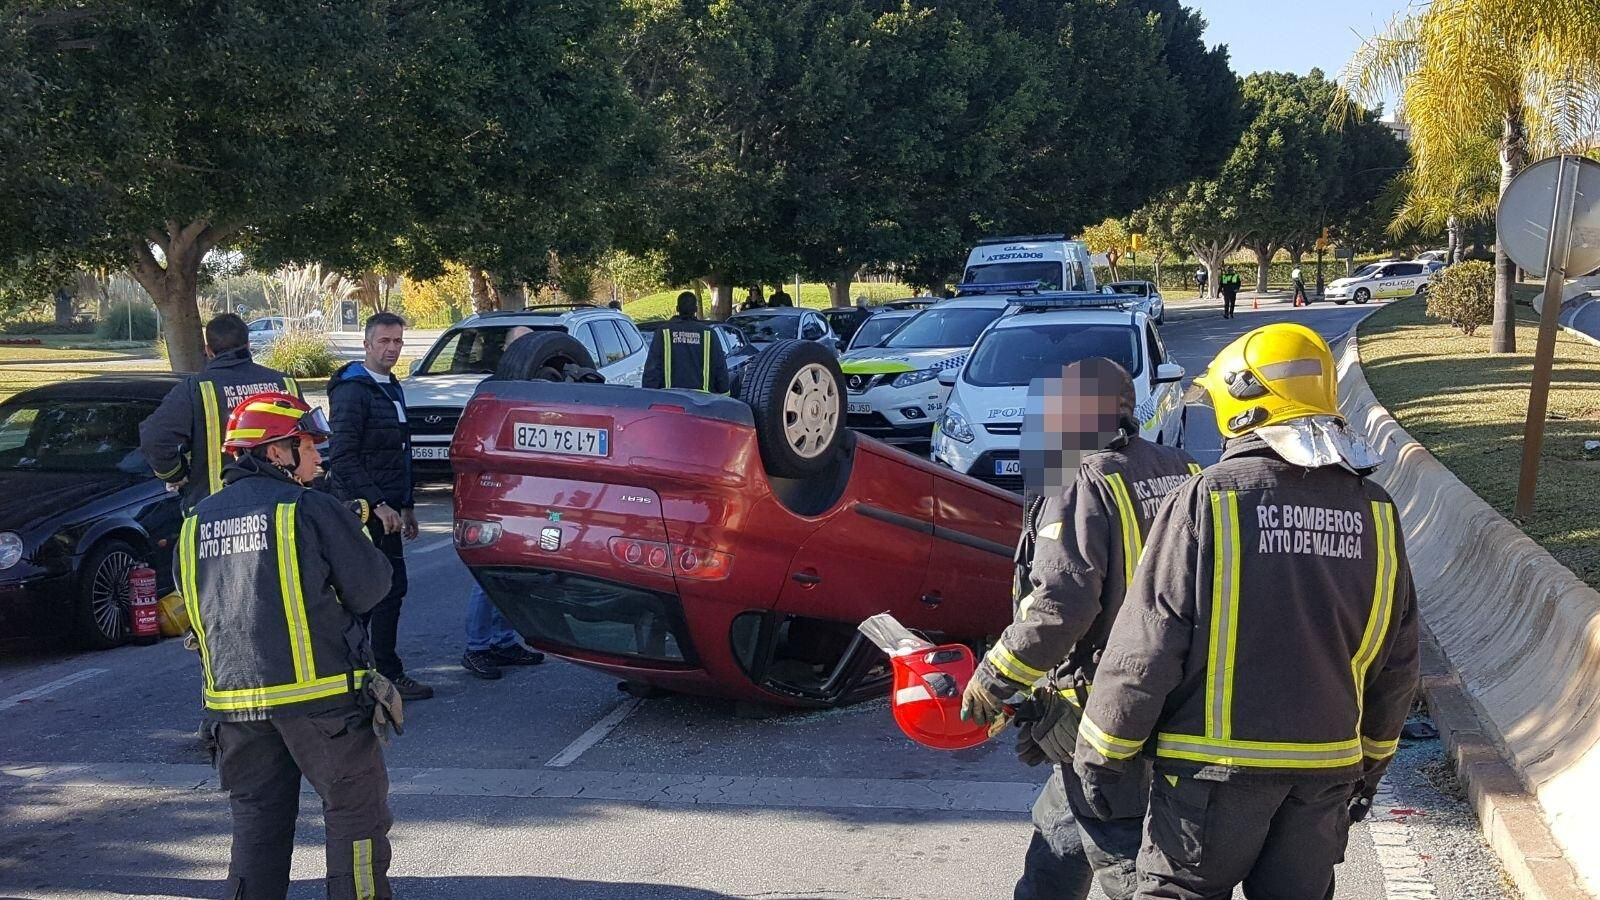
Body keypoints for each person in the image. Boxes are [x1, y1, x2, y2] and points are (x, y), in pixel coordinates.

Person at [1073, 323, 1420, 899]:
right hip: (1324, 774)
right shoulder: (1376, 511)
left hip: (1211, 780)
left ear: (1241, 400)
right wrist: (1371, 764)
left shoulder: (1210, 498)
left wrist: (1103, 753)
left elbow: (1148, 641)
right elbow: (1398, 656)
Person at [959, 358, 1200, 900]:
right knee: (1060, 834)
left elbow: (1062, 603)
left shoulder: (1080, 480)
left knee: (1121, 855)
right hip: (1179, 690)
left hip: (1110, 709)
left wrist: (994, 678)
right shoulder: (1181, 469)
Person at [179, 391, 397, 899]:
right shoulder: (310, 509)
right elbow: (371, 589)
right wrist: (351, 530)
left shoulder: (194, 523)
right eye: (308, 443)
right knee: (356, 819)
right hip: (321, 705)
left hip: (233, 710)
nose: (319, 454)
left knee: (256, 828)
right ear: (276, 451)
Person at [329, 312, 433, 702]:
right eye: (384, 341)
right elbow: (342, 457)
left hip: (390, 508)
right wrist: (377, 505)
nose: (392, 349)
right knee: (368, 593)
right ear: (367, 344)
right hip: (362, 511)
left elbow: (400, 453)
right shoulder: (353, 390)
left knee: (392, 589)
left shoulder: (391, 386)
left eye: (397, 342)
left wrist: (406, 505)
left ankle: (383, 671)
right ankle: (356, 674)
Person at [139, 313, 302, 514]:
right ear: (248, 345)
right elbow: (309, 444)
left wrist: (175, 474)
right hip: (283, 506)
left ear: (209, 351)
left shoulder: (196, 389)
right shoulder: (285, 384)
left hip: (217, 513)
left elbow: (155, 438)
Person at [641, 291, 730, 393]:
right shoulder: (708, 333)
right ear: (696, 309)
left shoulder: (664, 332)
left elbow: (653, 368)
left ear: (677, 309)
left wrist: (648, 393)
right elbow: (719, 367)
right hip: (703, 401)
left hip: (671, 399)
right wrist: (724, 392)